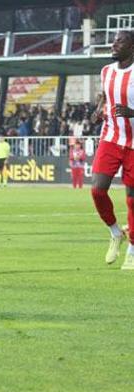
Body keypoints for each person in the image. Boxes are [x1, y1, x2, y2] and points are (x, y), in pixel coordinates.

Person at [90, 30, 134, 270]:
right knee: (97, 190)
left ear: (132, 46)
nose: (114, 44)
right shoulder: (106, 71)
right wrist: (98, 112)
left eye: (120, 41)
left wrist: (133, 113)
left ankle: (132, 249)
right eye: (114, 40)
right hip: (110, 137)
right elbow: (105, 99)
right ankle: (116, 232)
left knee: (132, 200)